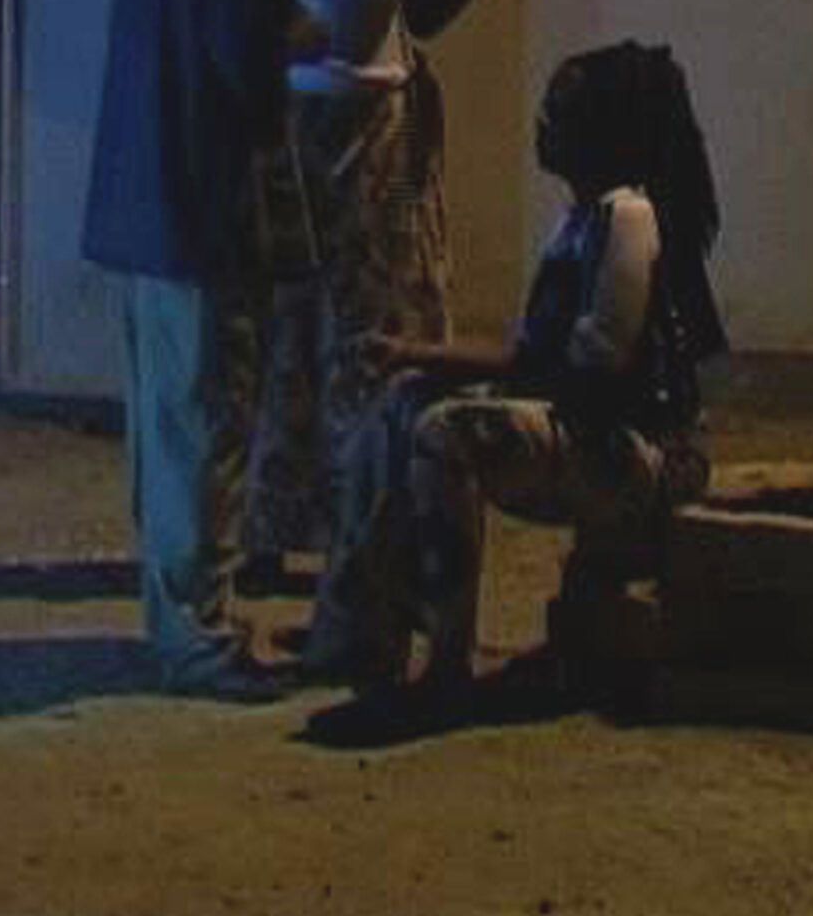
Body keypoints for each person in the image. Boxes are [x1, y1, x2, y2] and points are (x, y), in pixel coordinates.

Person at [310, 41, 727, 740]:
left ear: (602, 130)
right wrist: (413, 356)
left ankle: (447, 667)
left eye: (561, 110)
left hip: (646, 454)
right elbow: (531, 356)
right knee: (400, 406)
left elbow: (596, 373)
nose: (543, 123)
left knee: (446, 434)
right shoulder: (581, 219)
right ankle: (369, 639)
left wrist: (479, 389)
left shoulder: (627, 218)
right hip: (598, 431)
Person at [254, 0, 527, 676]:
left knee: (376, 330)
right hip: (293, 127)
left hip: (385, 128)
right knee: (288, 328)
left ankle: (358, 523)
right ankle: (272, 526)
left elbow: (430, 9)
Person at [81, 0, 308, 699]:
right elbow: (243, 61)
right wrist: (301, 42)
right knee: (205, 423)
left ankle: (176, 616)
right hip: (201, 206)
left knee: (162, 429)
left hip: (142, 208)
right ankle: (196, 637)